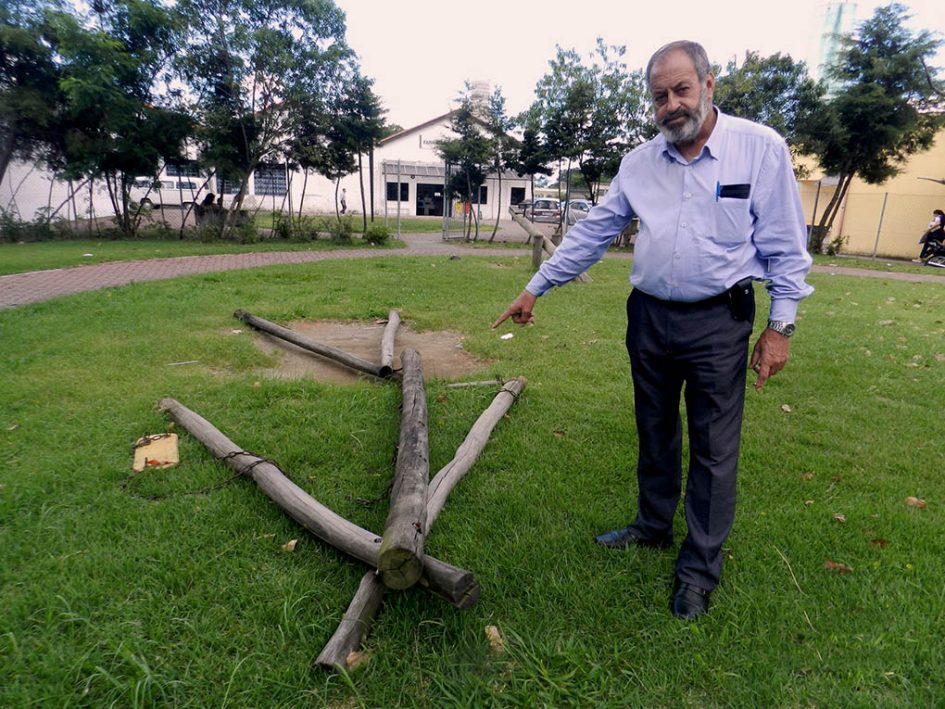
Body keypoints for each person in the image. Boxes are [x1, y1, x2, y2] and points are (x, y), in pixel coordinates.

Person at [492, 40, 813, 620]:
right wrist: (536, 286)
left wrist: (780, 326)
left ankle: (698, 571)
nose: (671, 105)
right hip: (649, 317)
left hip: (720, 320)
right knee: (655, 428)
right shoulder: (640, 163)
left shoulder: (759, 150)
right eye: (660, 96)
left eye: (681, 90)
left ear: (709, 84)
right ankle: (652, 525)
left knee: (715, 448)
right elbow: (594, 231)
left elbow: (787, 247)